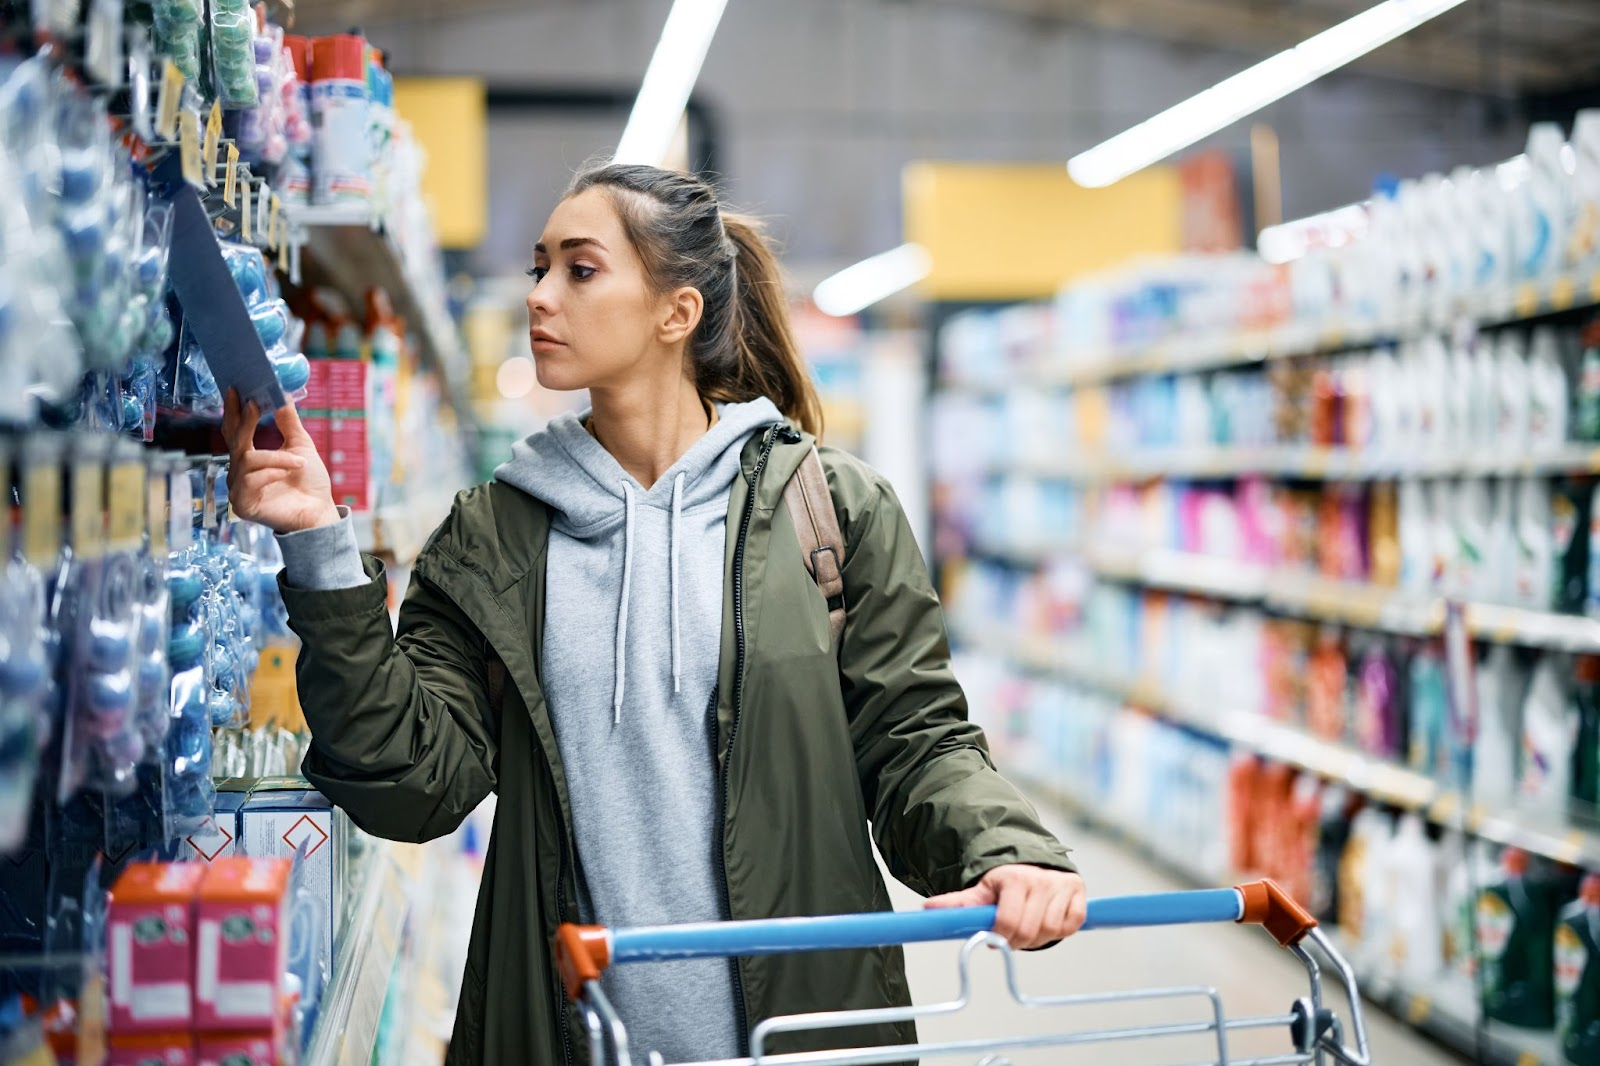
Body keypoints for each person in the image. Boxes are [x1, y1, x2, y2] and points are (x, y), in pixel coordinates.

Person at [221, 163, 1085, 1065]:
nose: (540, 297)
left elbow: (916, 740)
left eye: (579, 269)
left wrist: (1005, 848)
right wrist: (320, 543)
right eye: (538, 267)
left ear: (677, 314)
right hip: (572, 1037)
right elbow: (410, 784)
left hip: (804, 1034)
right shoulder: (493, 538)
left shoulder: (832, 512)